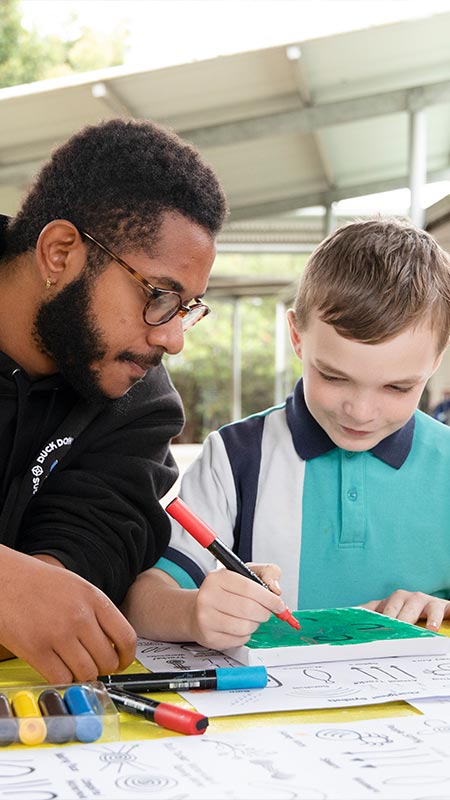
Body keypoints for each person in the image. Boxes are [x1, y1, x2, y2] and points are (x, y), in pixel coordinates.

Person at [122, 217, 450, 652]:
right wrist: (193, 613)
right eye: (333, 377)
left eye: (397, 387)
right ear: (297, 337)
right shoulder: (234, 457)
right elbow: (142, 600)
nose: (361, 411)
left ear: (436, 359)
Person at [0, 117, 227, 682]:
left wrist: (38, 596)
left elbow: (91, 552)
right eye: (160, 295)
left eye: (186, 308)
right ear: (60, 253)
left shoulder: (138, 399)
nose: (173, 338)